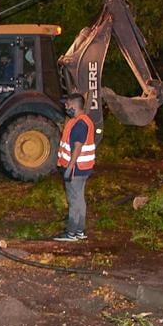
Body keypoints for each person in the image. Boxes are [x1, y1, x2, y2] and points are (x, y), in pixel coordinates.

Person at [53, 93, 96, 242]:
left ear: (74, 106)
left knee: (74, 200)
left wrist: (70, 168)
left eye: (67, 104)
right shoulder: (82, 121)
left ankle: (71, 233)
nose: (65, 107)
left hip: (76, 169)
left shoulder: (80, 124)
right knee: (80, 199)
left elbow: (77, 147)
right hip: (84, 167)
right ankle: (80, 231)